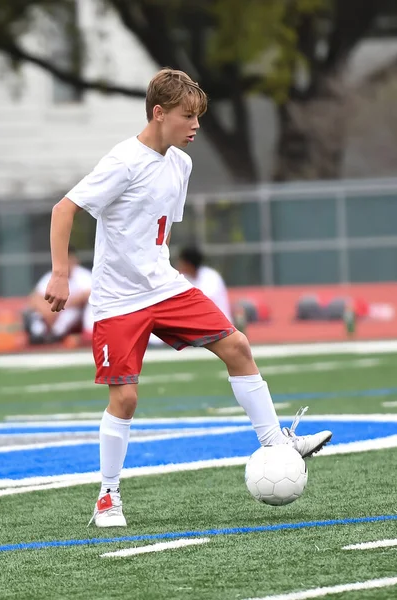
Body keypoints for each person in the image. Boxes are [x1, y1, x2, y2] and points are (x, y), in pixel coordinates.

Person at [45, 67, 332, 528]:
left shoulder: (181, 162)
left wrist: (164, 278)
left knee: (236, 346)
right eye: (187, 116)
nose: (196, 125)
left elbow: (154, 234)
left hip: (165, 286)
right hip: (118, 301)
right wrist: (62, 273)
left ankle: (277, 441)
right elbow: (64, 209)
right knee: (126, 400)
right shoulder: (123, 161)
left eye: (199, 116)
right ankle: (107, 497)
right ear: (159, 114)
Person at [25, 247, 92, 344]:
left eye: (69, 259)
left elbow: (89, 294)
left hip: (70, 314)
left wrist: (63, 305)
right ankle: (38, 334)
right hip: (52, 312)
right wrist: (48, 310)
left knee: (71, 312)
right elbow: (35, 297)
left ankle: (56, 334)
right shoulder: (52, 275)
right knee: (35, 315)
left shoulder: (83, 275)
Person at [178, 246, 232, 321]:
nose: (179, 265)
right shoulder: (185, 278)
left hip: (220, 324)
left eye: (182, 262)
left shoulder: (211, 276)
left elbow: (205, 301)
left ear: (189, 264)